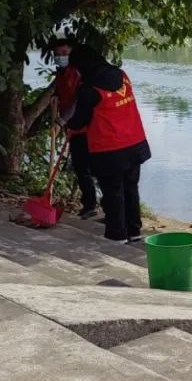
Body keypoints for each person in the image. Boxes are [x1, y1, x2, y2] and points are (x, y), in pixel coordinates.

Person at [60, 45, 151, 243]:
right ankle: (134, 231)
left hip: (110, 148)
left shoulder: (90, 89)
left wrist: (68, 125)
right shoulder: (122, 75)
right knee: (130, 188)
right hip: (134, 142)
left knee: (113, 191)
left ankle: (117, 235)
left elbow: (80, 120)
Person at [49, 39, 99, 219]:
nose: (61, 57)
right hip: (73, 127)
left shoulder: (79, 73)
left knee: (90, 168)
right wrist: (56, 97)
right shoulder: (61, 73)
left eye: (64, 53)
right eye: (57, 54)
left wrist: (61, 121)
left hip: (86, 127)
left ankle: (97, 206)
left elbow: (78, 101)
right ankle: (90, 205)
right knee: (80, 167)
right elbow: (64, 94)